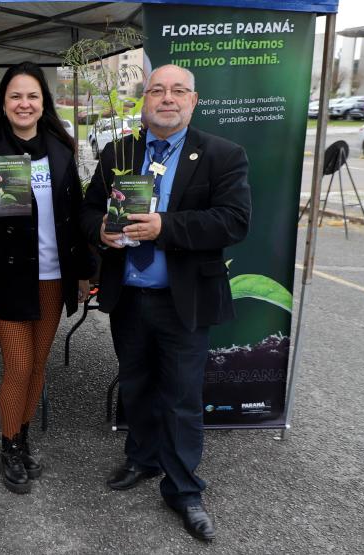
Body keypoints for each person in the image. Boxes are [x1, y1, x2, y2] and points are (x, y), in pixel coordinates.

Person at [80, 64, 252, 542]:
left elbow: (234, 222)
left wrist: (165, 227)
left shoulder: (223, 155)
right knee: (135, 385)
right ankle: (142, 457)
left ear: (193, 102)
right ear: (144, 101)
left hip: (185, 300)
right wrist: (99, 230)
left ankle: (183, 490)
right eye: (157, 90)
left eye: (178, 91)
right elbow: (90, 208)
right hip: (130, 295)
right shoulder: (121, 151)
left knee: (180, 396)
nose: (167, 98)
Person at [0, 62, 93, 494]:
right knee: (17, 365)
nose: (24, 103)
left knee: (38, 365)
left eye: (32, 96)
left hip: (54, 276)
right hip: (8, 276)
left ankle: (22, 439)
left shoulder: (60, 147)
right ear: (4, 102)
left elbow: (74, 215)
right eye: (16, 96)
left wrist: (85, 272)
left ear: (43, 103)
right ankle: (8, 445)